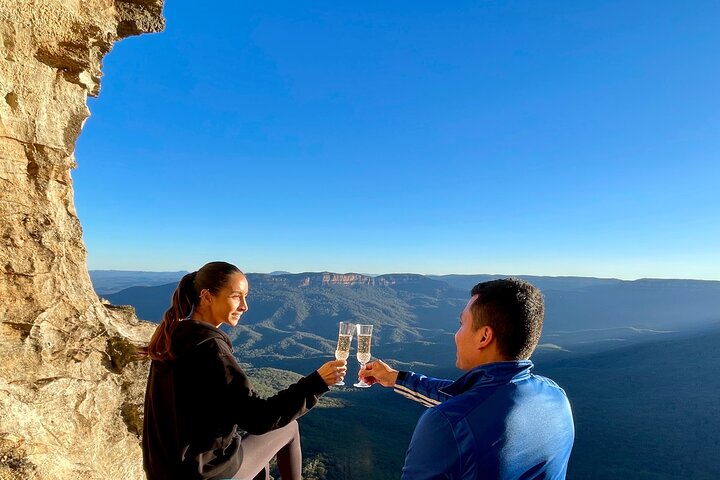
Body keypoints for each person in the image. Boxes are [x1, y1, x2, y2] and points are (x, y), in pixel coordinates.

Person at [141, 261, 347, 480]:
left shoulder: (173, 337)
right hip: (201, 474)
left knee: (256, 463)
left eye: (245, 297)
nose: (244, 306)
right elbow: (260, 419)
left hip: (164, 471)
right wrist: (317, 382)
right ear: (207, 296)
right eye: (236, 296)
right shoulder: (211, 350)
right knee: (289, 429)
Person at [359, 278, 574, 479]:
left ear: (484, 337)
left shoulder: (445, 425)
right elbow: (472, 400)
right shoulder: (556, 397)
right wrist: (394, 378)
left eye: (462, 323)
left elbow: (465, 411)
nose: (456, 334)